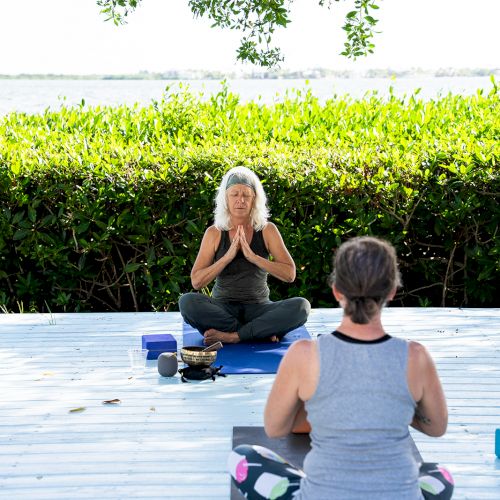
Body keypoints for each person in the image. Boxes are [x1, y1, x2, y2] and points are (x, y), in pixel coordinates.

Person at [229, 236, 454, 499]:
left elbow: (275, 429)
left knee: (243, 458)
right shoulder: (416, 356)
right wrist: (393, 406)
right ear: (392, 291)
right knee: (439, 475)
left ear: (336, 290)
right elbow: (436, 427)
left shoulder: (304, 355)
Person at [179, 166, 310, 345]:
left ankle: (234, 336)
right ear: (225, 198)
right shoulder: (215, 232)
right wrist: (226, 257)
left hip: (260, 308)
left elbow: (289, 274)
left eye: (246, 195)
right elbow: (196, 281)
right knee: (187, 302)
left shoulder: (267, 230)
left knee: (301, 307)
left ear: (254, 199)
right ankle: (259, 331)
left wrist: (254, 257)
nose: (240, 200)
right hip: (223, 310)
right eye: (234, 194)